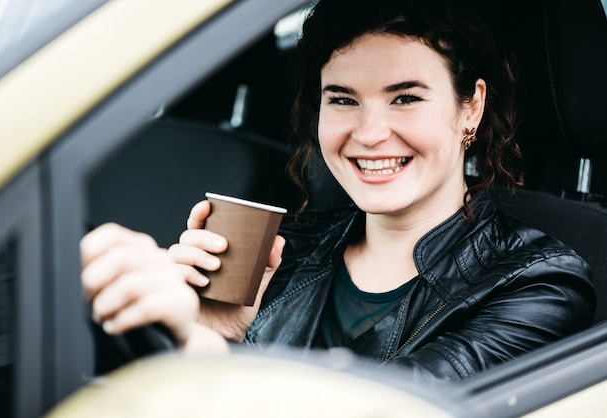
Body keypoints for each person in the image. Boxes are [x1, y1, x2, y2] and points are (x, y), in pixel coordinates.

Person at [81, 0, 596, 381]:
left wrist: (204, 352)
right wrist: (219, 329)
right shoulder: (286, 250)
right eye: (344, 100)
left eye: (405, 98)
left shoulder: (540, 284)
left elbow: (399, 405)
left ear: (470, 108)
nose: (368, 133)